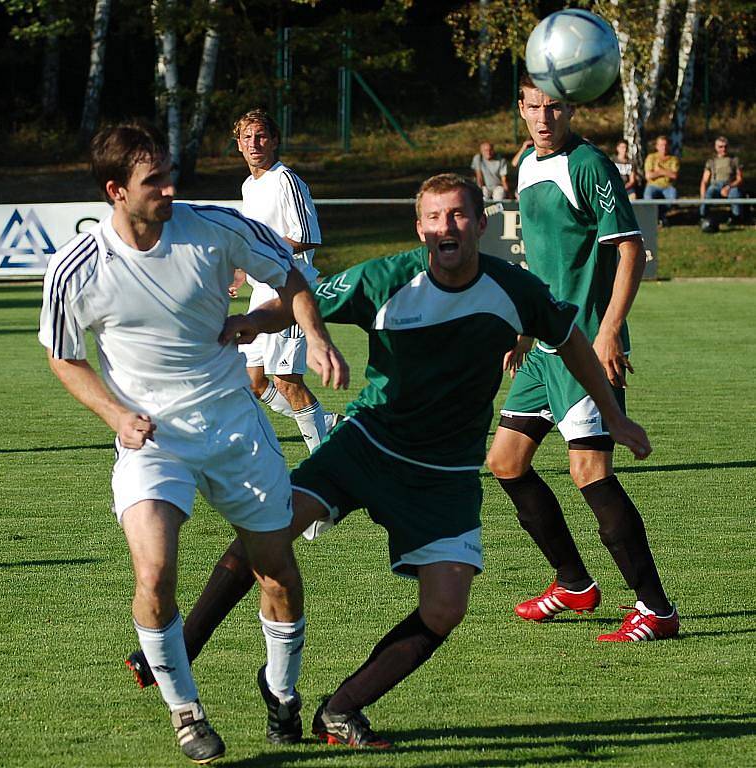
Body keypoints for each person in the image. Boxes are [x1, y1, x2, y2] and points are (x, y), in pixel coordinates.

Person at [124, 173, 655, 748]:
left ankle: (341, 708)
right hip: (367, 444)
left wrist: (614, 415)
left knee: (446, 606)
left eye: (456, 216)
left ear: (481, 224)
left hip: (445, 472)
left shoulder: (513, 288)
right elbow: (300, 294)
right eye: (433, 217)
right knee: (268, 531)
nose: (444, 227)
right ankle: (180, 649)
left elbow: (571, 338)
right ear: (419, 226)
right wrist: (257, 321)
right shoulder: (386, 277)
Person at [38, 120, 348, 764]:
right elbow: (64, 358)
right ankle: (186, 712)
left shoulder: (212, 227)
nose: (171, 187)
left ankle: (281, 692)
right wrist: (115, 415)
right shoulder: (78, 267)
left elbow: (291, 277)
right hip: (154, 442)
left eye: (169, 173)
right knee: (153, 575)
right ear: (115, 190)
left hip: (235, 424)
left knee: (277, 570)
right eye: (154, 180)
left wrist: (308, 335)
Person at [486, 74, 679, 643]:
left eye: (555, 107)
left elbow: (631, 248)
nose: (545, 118)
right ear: (520, 110)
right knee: (506, 461)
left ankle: (655, 609)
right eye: (534, 108)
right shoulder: (524, 164)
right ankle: (572, 582)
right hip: (542, 346)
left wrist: (610, 332)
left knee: (589, 471)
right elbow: (536, 261)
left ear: (570, 109)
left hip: (586, 342)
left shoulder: (589, 164)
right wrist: (523, 329)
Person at [230, 108, 336, 454]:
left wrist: (257, 254)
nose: (254, 143)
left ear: (274, 141)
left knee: (287, 381)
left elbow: (306, 236)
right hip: (261, 292)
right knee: (255, 382)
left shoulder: (285, 179)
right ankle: (329, 424)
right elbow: (257, 239)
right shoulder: (249, 184)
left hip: (289, 292)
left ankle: (323, 462)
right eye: (247, 137)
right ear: (239, 145)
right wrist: (242, 269)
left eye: (261, 136)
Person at [699, 135, 744, 222]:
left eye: (725, 147)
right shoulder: (711, 161)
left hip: (730, 185)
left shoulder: (734, 160)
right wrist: (702, 196)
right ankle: (703, 217)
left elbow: (740, 179)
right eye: (720, 147)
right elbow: (704, 181)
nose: (723, 149)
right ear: (716, 148)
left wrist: (729, 187)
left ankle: (736, 218)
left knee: (735, 194)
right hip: (715, 186)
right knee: (708, 193)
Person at [643, 135, 679, 225]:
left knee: (673, 197)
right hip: (652, 185)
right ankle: (652, 218)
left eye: (666, 145)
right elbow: (648, 176)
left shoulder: (674, 159)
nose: (664, 147)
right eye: (661, 145)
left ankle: (661, 215)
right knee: (648, 197)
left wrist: (659, 171)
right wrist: (666, 172)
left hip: (667, 186)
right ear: (657, 146)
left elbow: (674, 175)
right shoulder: (651, 158)